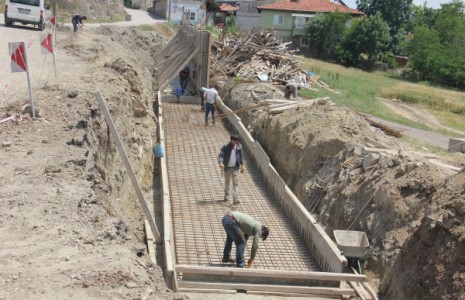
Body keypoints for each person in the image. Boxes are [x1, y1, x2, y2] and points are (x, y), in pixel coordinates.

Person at [218, 134, 244, 205]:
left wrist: (242, 165)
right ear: (231, 140)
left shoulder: (239, 147)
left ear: (237, 141)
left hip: (235, 168)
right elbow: (221, 155)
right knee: (227, 183)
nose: (234, 142)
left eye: (235, 141)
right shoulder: (226, 147)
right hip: (227, 168)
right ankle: (226, 196)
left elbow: (241, 156)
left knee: (235, 183)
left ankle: (235, 198)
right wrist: (220, 163)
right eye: (232, 140)